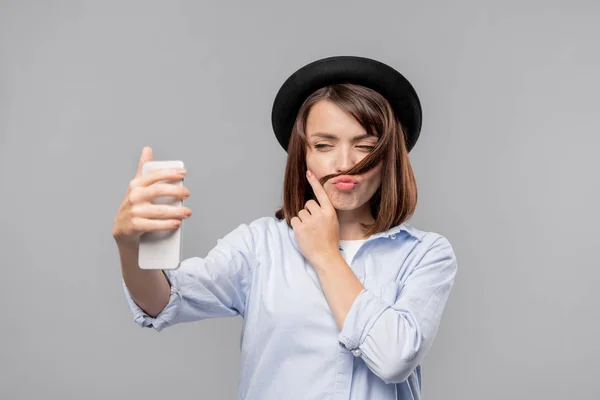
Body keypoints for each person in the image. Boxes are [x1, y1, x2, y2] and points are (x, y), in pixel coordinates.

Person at [112, 56, 458, 400]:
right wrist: (130, 247)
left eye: (366, 146)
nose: (345, 163)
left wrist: (324, 255)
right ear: (302, 154)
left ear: (389, 156)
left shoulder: (425, 254)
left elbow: (394, 358)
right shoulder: (260, 244)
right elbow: (163, 301)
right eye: (324, 145)